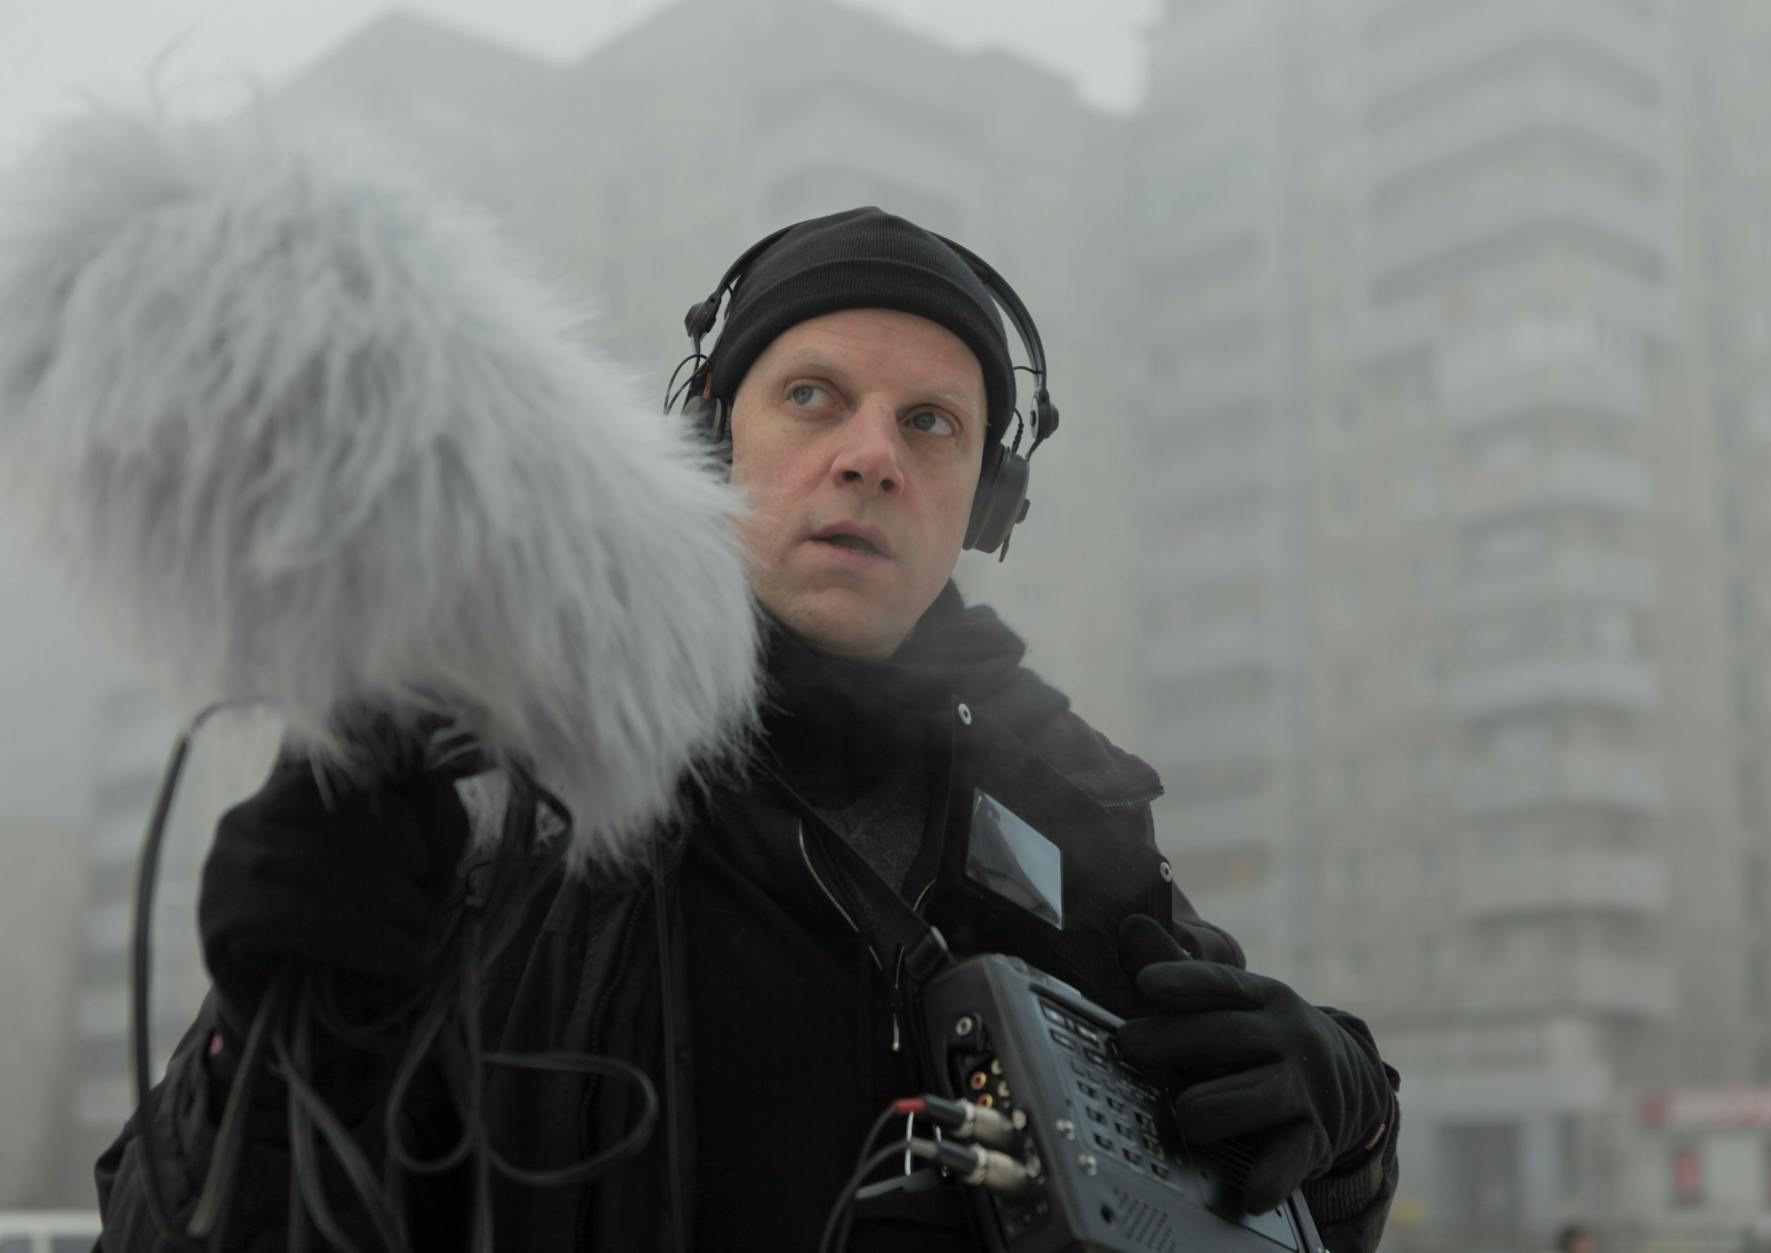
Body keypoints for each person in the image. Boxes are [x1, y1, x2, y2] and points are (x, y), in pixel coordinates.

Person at [94, 207, 1400, 1252]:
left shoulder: (1081, 821)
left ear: (986, 499)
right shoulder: (496, 792)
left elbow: (1259, 1202)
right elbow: (170, 1228)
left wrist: (1343, 1113)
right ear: (713, 440)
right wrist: (265, 1030)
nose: (870, 454)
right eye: (815, 397)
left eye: (930, 422)